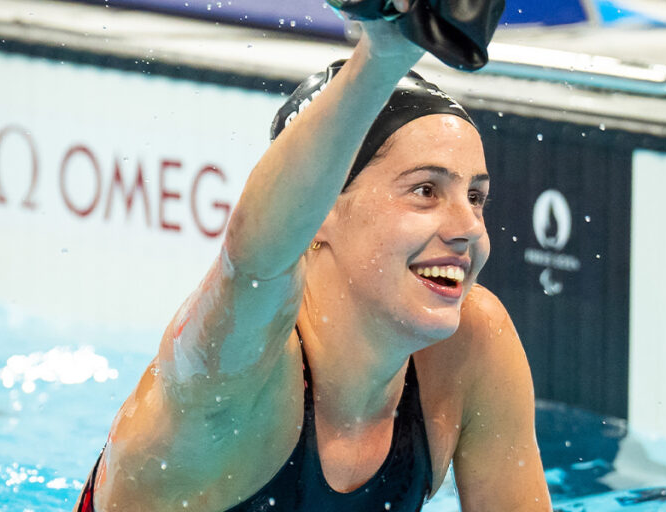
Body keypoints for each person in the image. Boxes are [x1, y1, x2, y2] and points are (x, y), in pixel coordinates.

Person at [75, 1, 550, 510]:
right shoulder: (239, 371)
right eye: (426, 192)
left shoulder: (470, 346)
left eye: (475, 197)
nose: (468, 230)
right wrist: (383, 57)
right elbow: (252, 261)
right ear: (321, 208)